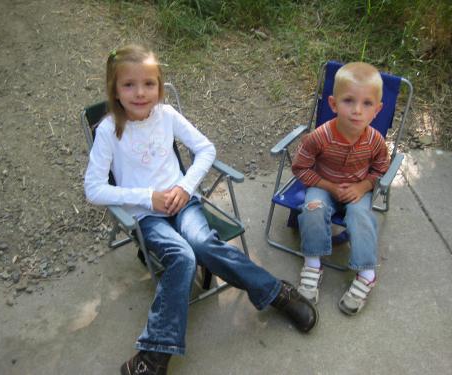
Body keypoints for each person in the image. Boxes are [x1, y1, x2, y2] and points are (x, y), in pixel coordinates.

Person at [84, 44, 317, 375]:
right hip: (147, 215)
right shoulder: (108, 131)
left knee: (204, 244)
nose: (140, 93)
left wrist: (183, 187)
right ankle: (152, 357)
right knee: (182, 257)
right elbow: (93, 189)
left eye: (149, 84)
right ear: (115, 89)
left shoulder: (167, 116)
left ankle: (277, 292)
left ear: (159, 86)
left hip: (183, 202)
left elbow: (206, 150)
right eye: (129, 85)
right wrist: (149, 197)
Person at [291, 62, 389, 315]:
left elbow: (381, 168)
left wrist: (363, 185)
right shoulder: (320, 137)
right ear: (333, 104)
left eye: (367, 104)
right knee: (312, 208)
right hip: (324, 183)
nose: (357, 111)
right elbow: (300, 168)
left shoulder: (376, 141)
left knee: (361, 215)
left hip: (358, 188)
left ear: (377, 110)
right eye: (348, 101)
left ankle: (367, 273)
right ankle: (313, 264)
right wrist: (329, 186)